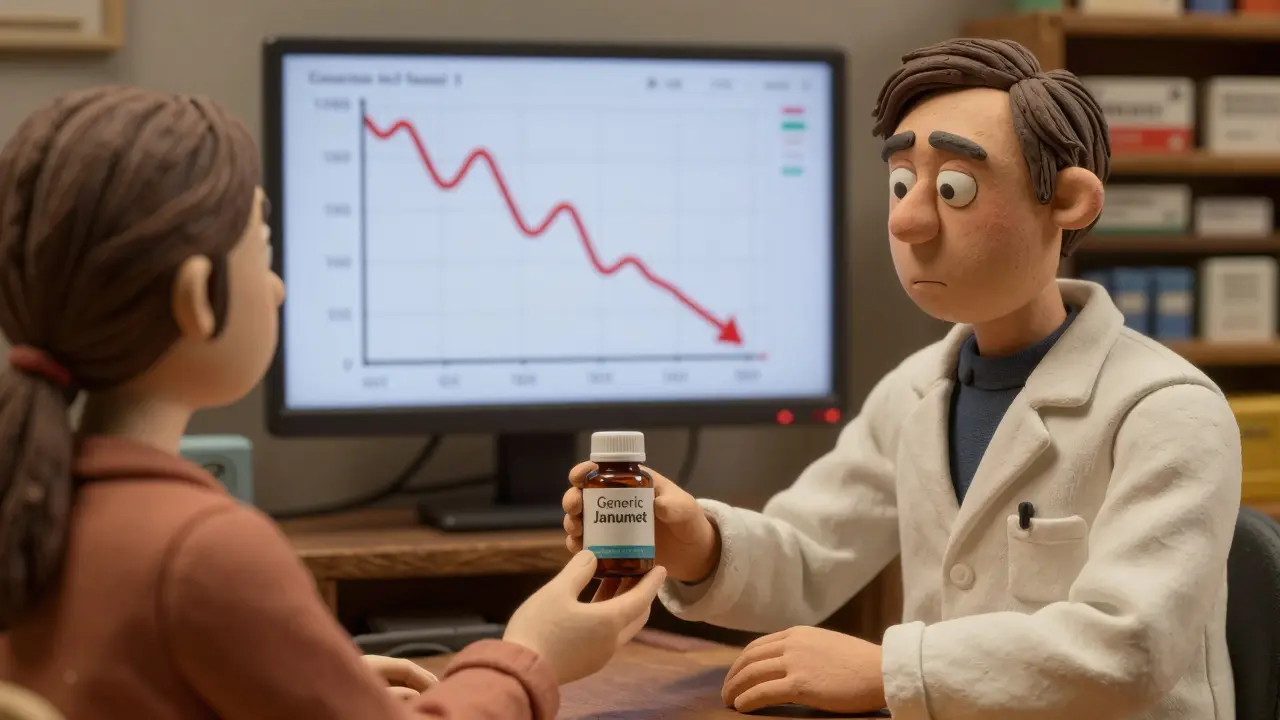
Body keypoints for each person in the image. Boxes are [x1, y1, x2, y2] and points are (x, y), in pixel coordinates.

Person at [564, 38, 1241, 719]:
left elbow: (1128, 649)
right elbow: (809, 554)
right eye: (899, 183)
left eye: (954, 188)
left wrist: (891, 669)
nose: (907, 219)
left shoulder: (1166, 411)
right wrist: (700, 545)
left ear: (1068, 201)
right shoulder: (918, 390)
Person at [0, 85, 665, 720]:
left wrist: (306, 684)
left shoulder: (33, 502)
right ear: (199, 300)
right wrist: (529, 655)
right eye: (263, 254)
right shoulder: (206, 552)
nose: (281, 288)